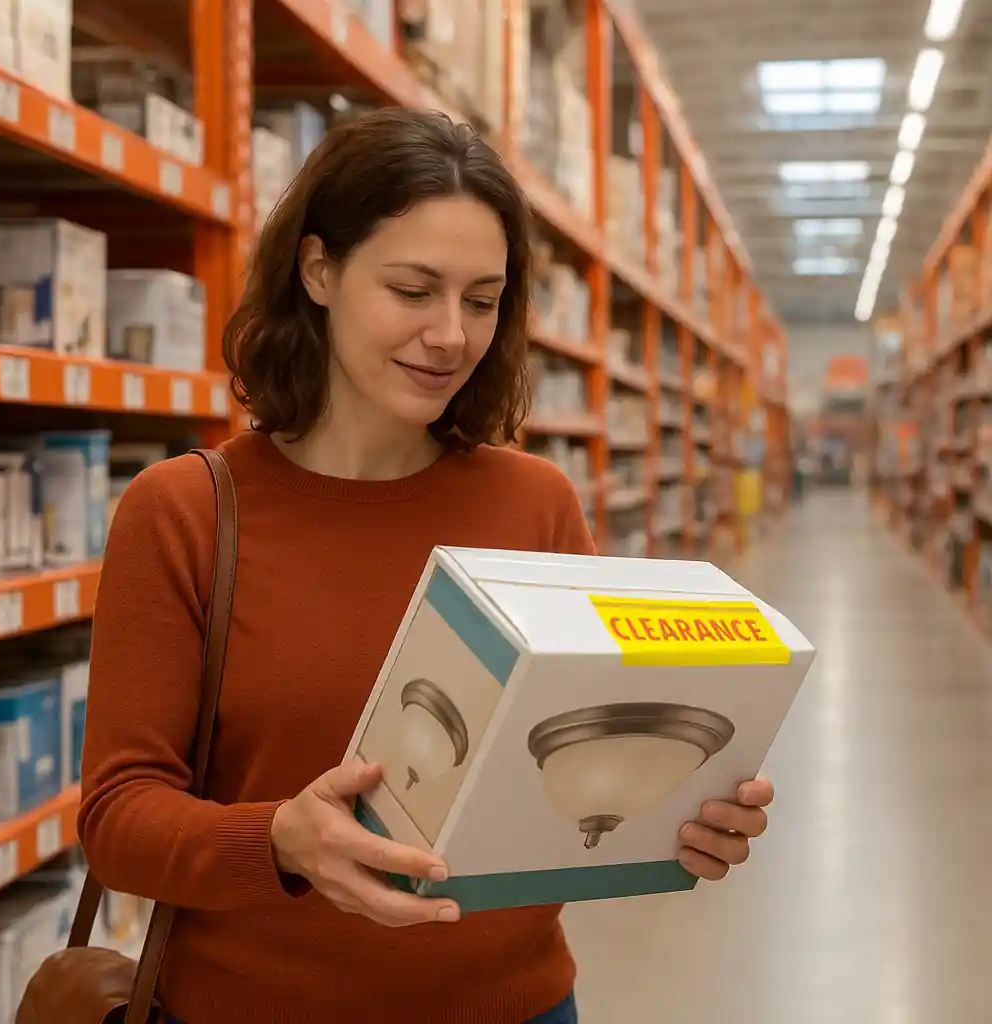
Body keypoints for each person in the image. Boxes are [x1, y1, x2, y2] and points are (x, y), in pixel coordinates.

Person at [79, 107, 774, 1024]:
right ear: (318, 270)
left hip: (516, 1008)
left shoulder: (536, 505)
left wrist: (678, 813)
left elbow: (574, 768)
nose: (451, 334)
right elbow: (118, 819)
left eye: (482, 300)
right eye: (413, 291)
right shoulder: (187, 512)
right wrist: (282, 838)